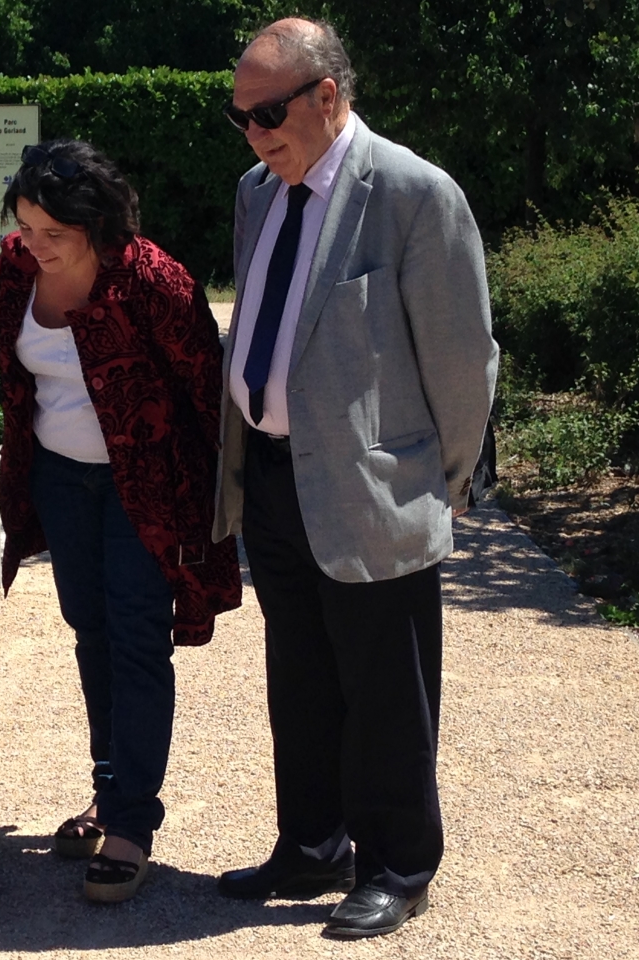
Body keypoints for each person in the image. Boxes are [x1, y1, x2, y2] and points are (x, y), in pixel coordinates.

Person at [212, 19, 499, 938]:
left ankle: (400, 864)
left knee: (387, 687)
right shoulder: (259, 192)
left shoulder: (415, 193)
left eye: (267, 114)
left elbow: (462, 362)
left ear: (326, 96)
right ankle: (312, 843)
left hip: (376, 485)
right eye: (241, 117)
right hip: (273, 474)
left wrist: (438, 482)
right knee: (298, 677)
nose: (254, 134)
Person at [0, 139, 242, 902]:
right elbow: (17, 373)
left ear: (97, 228)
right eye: (25, 227)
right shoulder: (13, 267)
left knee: (136, 637)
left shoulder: (154, 281)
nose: (32, 246)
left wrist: (214, 516)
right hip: (63, 479)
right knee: (88, 625)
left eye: (51, 235)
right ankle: (106, 789)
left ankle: (132, 821)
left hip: (148, 485)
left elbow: (207, 395)